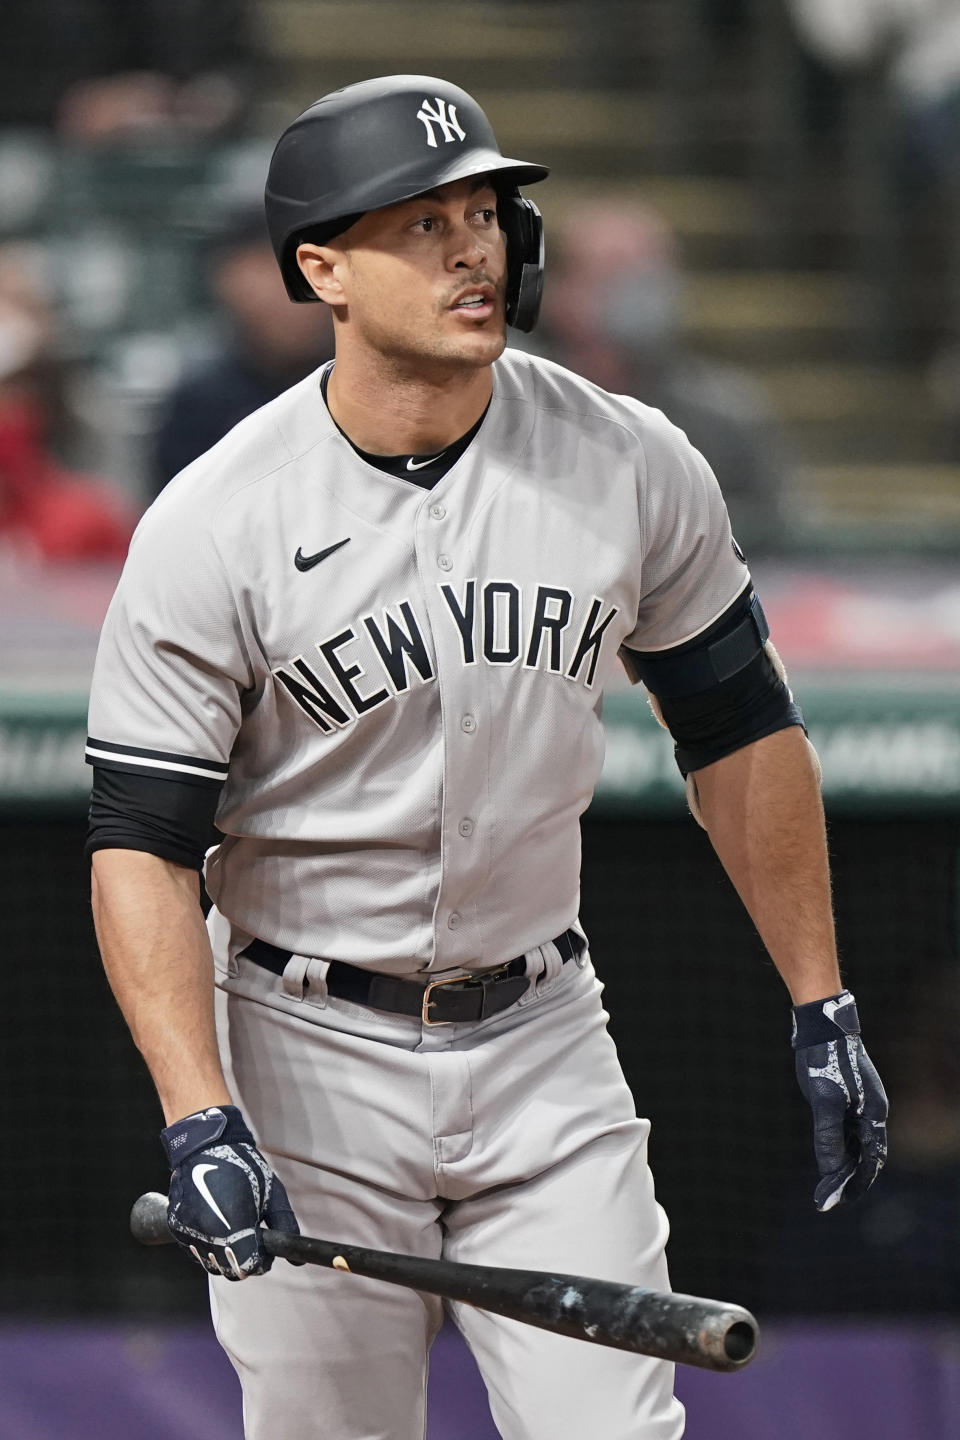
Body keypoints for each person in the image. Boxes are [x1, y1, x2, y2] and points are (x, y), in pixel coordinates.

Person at [85, 76, 888, 1440]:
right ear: (320, 268)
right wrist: (200, 1113)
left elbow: (743, 731)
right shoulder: (215, 521)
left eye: (486, 213)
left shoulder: (631, 461)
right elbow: (143, 846)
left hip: (541, 1038)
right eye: (422, 224)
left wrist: (821, 998)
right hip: (302, 1049)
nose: (475, 249)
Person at [539, 199, 790, 554]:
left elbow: (783, 541)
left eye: (651, 274)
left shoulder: (724, 414)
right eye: (615, 273)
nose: (639, 292)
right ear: (559, 292)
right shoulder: (512, 403)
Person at [152, 204, 334, 493]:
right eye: (265, 267)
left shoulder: (375, 384)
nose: (284, 289)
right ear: (224, 280)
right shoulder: (201, 403)